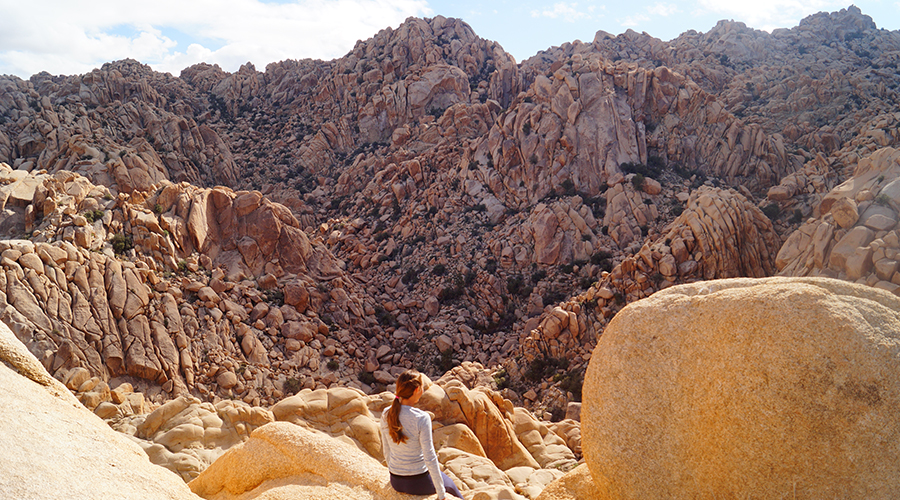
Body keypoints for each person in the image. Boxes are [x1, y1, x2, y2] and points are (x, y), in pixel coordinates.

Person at [380, 370, 463, 499]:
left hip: (396, 481)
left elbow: (386, 449)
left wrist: (395, 471)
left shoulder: (386, 413)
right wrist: (441, 494)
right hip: (417, 482)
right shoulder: (421, 418)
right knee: (450, 484)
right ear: (417, 390)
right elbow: (429, 457)